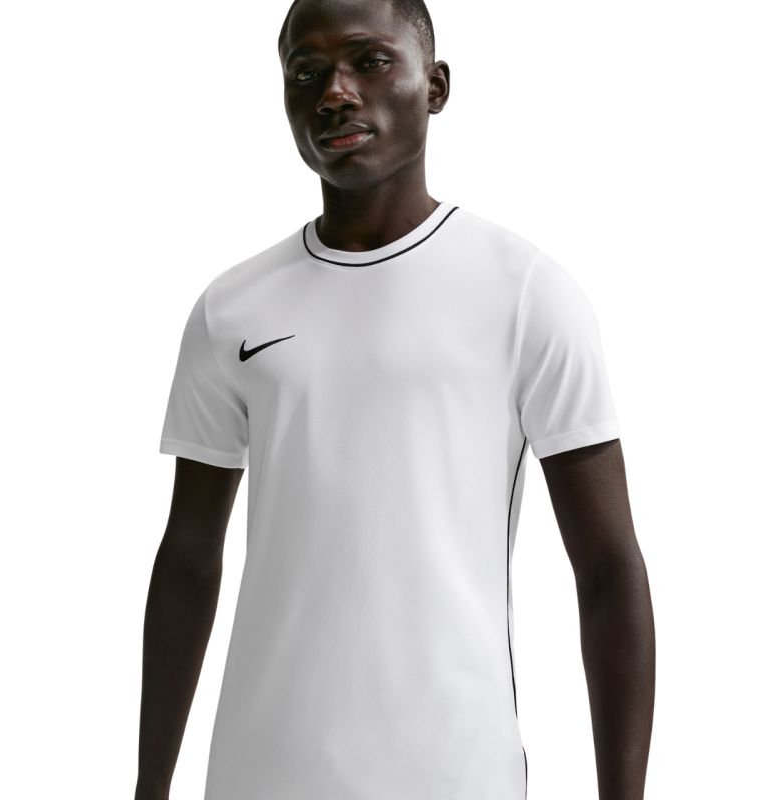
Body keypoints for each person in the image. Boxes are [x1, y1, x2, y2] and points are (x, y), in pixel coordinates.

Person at [135, 0, 656, 798]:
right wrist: (149, 788)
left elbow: (609, 568)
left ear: (435, 86)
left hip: (454, 775)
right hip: (259, 775)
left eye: (370, 61)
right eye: (306, 72)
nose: (334, 93)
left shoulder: (525, 294)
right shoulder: (231, 310)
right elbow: (188, 556)